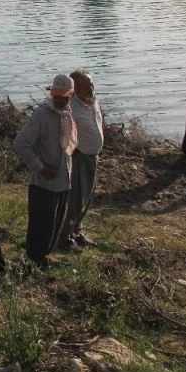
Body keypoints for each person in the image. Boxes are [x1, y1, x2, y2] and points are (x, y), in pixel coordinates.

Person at [13, 74, 77, 269]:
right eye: (56, 95)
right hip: (43, 182)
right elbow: (21, 144)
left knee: (56, 224)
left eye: (64, 96)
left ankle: (44, 257)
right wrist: (40, 167)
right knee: (41, 225)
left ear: (71, 95)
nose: (59, 99)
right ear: (52, 93)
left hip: (63, 180)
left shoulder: (68, 113)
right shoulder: (41, 115)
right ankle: (33, 261)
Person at [60, 68, 104, 250]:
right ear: (75, 88)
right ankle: (64, 237)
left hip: (92, 158)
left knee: (86, 198)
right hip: (78, 160)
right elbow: (61, 132)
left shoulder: (93, 102)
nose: (91, 89)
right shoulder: (70, 106)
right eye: (86, 86)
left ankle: (77, 231)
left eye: (92, 84)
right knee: (75, 199)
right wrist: (72, 149)